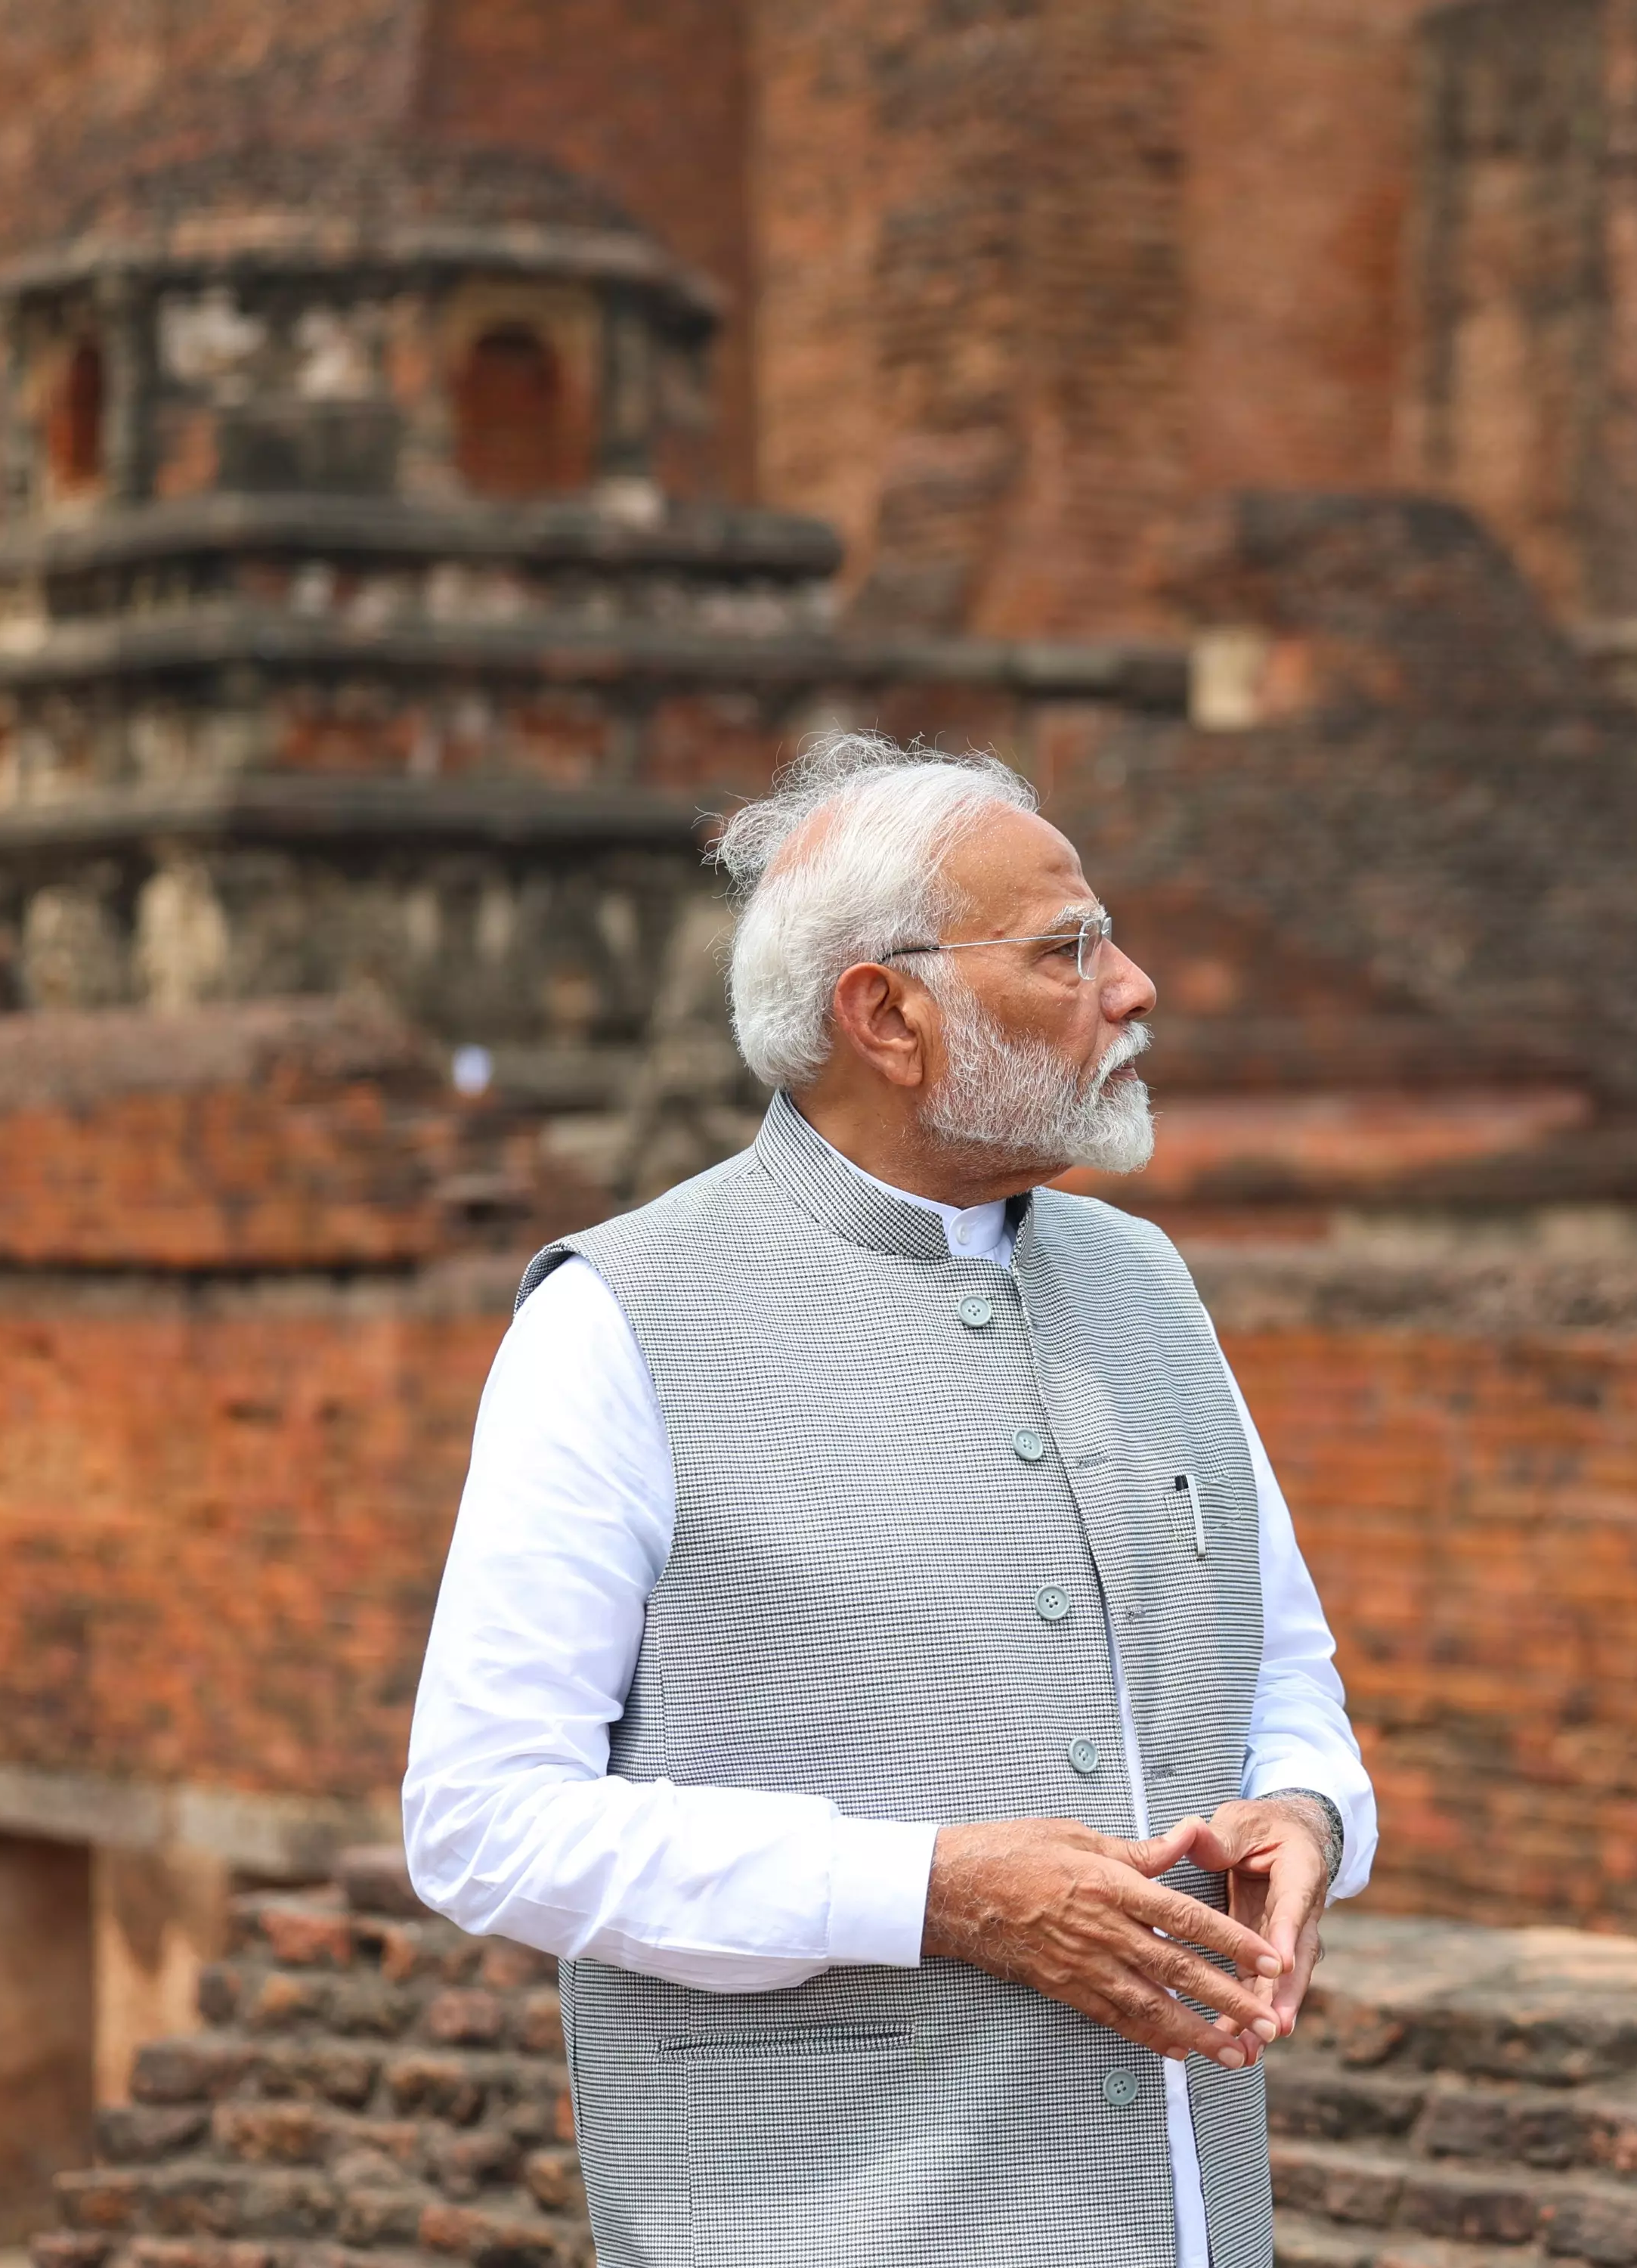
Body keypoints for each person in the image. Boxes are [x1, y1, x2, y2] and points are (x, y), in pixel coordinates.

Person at [401, 736, 1376, 2268]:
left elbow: (1279, 1670)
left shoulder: (1147, 1285)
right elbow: (483, 1825)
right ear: (886, 1015)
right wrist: (929, 1894)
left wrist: (1310, 1810)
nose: (1133, 987)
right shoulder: (622, 1319)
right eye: (1066, 951)